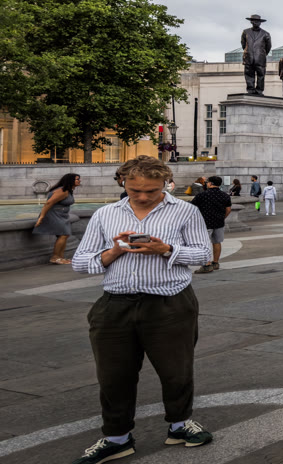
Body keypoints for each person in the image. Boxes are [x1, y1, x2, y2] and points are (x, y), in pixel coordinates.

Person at [66, 156, 214, 463]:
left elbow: (204, 254)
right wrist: (115, 251)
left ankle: (180, 424)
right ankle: (117, 438)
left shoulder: (185, 211)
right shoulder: (106, 214)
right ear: (123, 182)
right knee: (113, 376)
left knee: (176, 370)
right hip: (114, 305)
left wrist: (166, 249)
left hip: (170, 303)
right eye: (135, 190)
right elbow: (80, 262)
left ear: (165, 184)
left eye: (152, 190)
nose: (144, 197)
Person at [34, 173, 80, 265]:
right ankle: (55, 257)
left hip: (61, 215)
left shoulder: (67, 190)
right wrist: (41, 217)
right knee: (63, 235)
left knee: (64, 235)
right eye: (77, 179)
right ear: (70, 180)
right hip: (54, 215)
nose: (79, 181)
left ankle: (60, 257)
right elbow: (48, 203)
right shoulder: (62, 191)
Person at [192, 176, 232, 274]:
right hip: (219, 223)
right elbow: (228, 209)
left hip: (205, 223)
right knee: (217, 242)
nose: (206, 183)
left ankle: (207, 265)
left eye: (207, 182)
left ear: (210, 183)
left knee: (204, 244)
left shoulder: (202, 195)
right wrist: (222, 218)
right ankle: (215, 263)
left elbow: (191, 207)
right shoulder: (225, 195)